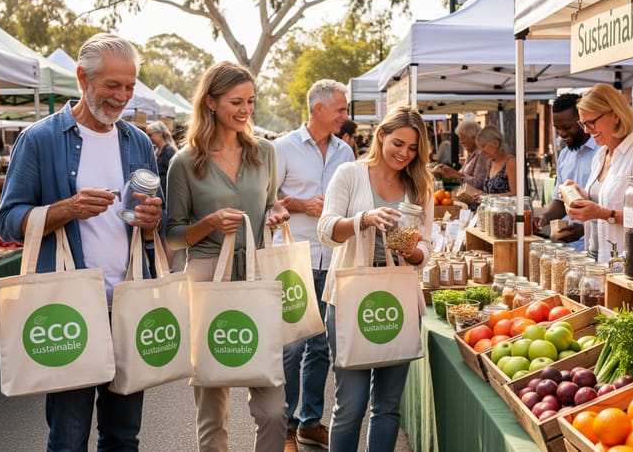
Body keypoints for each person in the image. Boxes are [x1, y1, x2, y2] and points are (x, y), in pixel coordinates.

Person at [0, 33, 165, 451]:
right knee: (69, 437)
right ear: (81, 78)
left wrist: (152, 220)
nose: (122, 96)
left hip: (127, 304)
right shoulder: (40, 139)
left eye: (129, 86)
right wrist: (67, 208)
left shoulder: (138, 141)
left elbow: (155, 223)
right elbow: (8, 221)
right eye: (113, 85)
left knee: (124, 437)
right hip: (70, 309)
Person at [165, 61, 291, 452]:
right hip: (205, 278)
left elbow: (268, 206)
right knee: (212, 411)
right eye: (236, 101)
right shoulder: (184, 163)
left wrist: (274, 214)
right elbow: (172, 237)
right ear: (211, 102)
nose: (245, 110)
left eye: (251, 101)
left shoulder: (264, 152)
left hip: (255, 273)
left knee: (274, 410)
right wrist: (210, 223)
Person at [317, 107, 433, 452]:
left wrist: (412, 251)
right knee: (350, 405)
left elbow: (427, 249)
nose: (404, 154)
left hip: (398, 297)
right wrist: (364, 219)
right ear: (381, 135)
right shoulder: (350, 173)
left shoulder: (419, 185)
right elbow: (326, 230)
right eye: (398, 143)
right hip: (352, 296)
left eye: (413, 148)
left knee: (387, 407)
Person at [273, 79, 354, 451]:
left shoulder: (346, 153)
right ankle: (286, 426)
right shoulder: (282, 148)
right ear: (318, 109)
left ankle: (309, 422)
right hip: (293, 257)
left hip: (332, 256)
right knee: (291, 346)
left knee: (321, 346)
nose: (346, 116)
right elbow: (265, 199)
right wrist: (302, 205)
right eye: (341, 109)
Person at [563, 84, 633, 263]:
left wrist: (605, 214)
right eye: (583, 124)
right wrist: (581, 197)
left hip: (628, 264)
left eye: (591, 122)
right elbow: (605, 200)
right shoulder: (600, 155)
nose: (587, 130)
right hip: (597, 258)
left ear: (615, 116)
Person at [533, 94, 598, 250]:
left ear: (582, 120)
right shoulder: (564, 155)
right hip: (568, 247)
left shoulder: (602, 152)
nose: (561, 134)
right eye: (557, 129)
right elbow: (560, 200)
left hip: (595, 245)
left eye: (567, 127)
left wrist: (583, 229)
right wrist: (544, 217)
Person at [432, 120, 489, 191]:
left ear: (473, 137)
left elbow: (479, 184)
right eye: (459, 138)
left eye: (462, 138)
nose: (460, 142)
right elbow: (460, 176)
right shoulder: (471, 154)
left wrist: (457, 175)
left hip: (474, 200)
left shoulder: (481, 154)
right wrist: (448, 172)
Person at [478, 126, 516, 196]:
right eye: (479, 147)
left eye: (483, 146)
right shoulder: (489, 163)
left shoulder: (511, 162)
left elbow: (514, 193)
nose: (481, 151)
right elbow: (488, 192)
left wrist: (487, 196)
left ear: (496, 144)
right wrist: (480, 195)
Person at [146, 120, 178, 198]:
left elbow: (175, 178)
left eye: (150, 135)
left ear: (160, 133)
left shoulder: (169, 152)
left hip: (166, 197)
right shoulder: (155, 150)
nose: (149, 138)